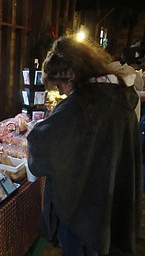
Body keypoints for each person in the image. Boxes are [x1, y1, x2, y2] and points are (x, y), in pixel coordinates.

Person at [27, 36, 143, 256]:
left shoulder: (80, 105)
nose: (61, 92)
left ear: (71, 74)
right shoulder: (120, 95)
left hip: (83, 214)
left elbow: (40, 141)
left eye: (60, 85)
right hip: (110, 203)